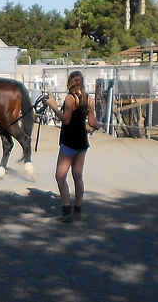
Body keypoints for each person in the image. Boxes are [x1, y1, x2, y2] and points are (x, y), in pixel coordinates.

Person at [45, 70, 101, 222]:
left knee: (60, 176)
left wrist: (53, 107)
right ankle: (78, 209)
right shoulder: (89, 99)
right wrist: (99, 126)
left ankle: (66, 209)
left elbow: (66, 119)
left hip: (69, 141)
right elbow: (92, 122)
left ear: (70, 83)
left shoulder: (70, 99)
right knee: (77, 176)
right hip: (82, 141)